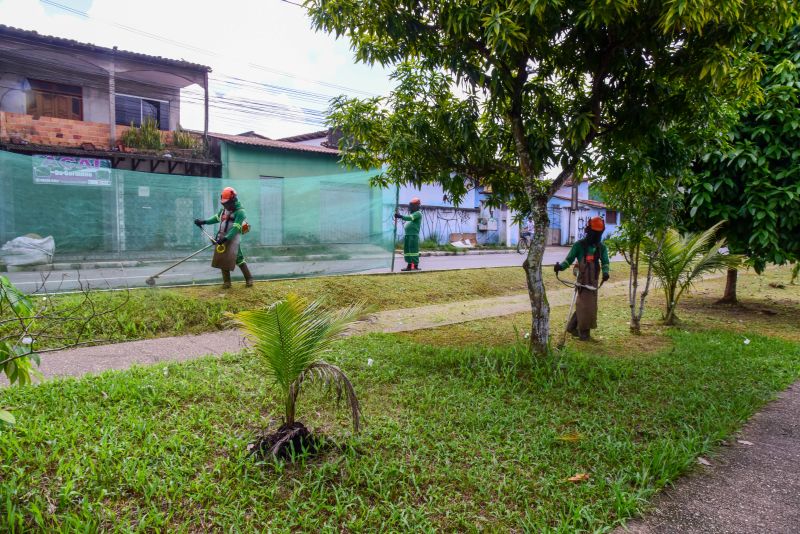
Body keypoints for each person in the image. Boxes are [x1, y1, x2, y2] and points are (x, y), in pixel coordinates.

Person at [553, 216, 610, 340]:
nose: (596, 236)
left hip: (593, 281)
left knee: (586, 305)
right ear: (588, 231)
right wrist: (560, 267)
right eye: (594, 233)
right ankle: (584, 334)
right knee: (586, 306)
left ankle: (572, 327)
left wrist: (606, 272)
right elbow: (569, 260)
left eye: (598, 233)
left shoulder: (601, 247)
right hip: (582, 280)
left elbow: (605, 262)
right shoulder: (579, 245)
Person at [194, 187, 253, 288]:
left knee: (238, 258)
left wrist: (226, 239)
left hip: (234, 238)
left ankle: (249, 279)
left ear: (233, 200)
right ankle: (227, 282)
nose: (225, 205)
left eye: (227, 203)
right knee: (222, 257)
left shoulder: (240, 212)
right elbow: (216, 218)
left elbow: (236, 228)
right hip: (222, 236)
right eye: (223, 203)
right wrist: (203, 222)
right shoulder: (224, 211)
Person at [394, 197, 422, 271]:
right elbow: (408, 218)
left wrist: (400, 216)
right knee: (407, 251)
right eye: (411, 205)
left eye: (412, 205)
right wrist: (399, 215)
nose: (410, 207)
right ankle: (409, 266)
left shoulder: (418, 213)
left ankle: (415, 266)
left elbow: (409, 218)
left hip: (413, 236)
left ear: (417, 206)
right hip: (407, 235)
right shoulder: (412, 214)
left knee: (413, 251)